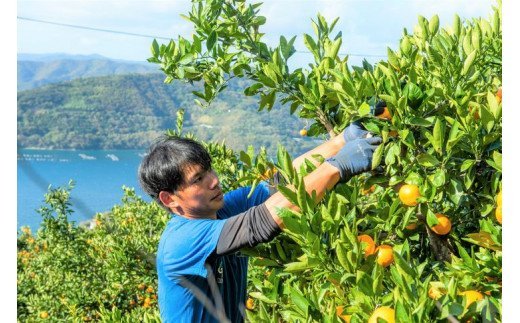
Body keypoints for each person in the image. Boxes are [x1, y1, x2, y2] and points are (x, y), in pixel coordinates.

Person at [138, 122, 382, 323]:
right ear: (169, 199)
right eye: (198, 179)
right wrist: (337, 168)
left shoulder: (220, 209)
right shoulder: (181, 240)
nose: (214, 181)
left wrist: (342, 140)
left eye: (209, 170)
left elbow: (280, 184)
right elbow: (261, 222)